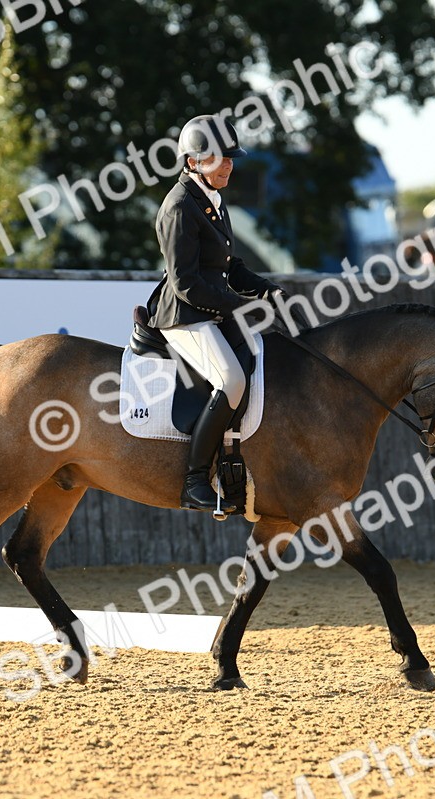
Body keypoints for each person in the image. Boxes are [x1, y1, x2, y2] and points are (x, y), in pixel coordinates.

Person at [145, 114, 284, 513]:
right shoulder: (178, 208)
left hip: (211, 310)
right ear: (192, 162)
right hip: (184, 315)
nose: (229, 165)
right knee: (233, 380)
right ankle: (193, 480)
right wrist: (242, 306)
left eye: (230, 157)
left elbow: (228, 265)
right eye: (220, 158)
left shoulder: (211, 201)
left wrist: (263, 287)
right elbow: (186, 283)